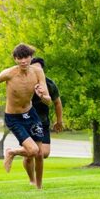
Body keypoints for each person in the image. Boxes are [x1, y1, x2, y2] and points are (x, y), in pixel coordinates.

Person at [0, 43, 51, 188]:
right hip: (14, 117)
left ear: (31, 57)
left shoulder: (38, 72)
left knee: (39, 154)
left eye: (26, 57)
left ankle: (39, 187)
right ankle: (11, 152)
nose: (23, 61)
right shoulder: (9, 73)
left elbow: (48, 100)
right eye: (19, 58)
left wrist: (41, 95)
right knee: (33, 150)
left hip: (30, 114)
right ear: (15, 59)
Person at [23, 57, 63, 186]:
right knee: (32, 155)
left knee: (43, 153)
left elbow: (57, 103)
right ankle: (32, 180)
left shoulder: (49, 84)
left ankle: (20, 152)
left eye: (38, 69)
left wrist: (59, 121)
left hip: (43, 122)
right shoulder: (25, 83)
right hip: (27, 121)